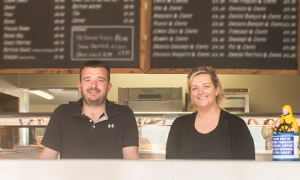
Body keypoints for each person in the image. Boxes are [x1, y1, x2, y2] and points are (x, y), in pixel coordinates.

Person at [39, 61, 139, 159]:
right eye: (87, 80)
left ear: (109, 87)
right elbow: (47, 158)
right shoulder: (62, 113)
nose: (93, 86)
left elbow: (131, 160)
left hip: (112, 176)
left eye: (100, 80)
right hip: (71, 176)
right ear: (80, 86)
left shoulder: (125, 114)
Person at [166, 66, 255, 159]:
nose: (200, 92)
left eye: (206, 86)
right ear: (191, 94)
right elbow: (171, 168)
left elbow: (247, 168)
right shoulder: (179, 125)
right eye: (195, 88)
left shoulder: (236, 125)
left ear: (217, 90)